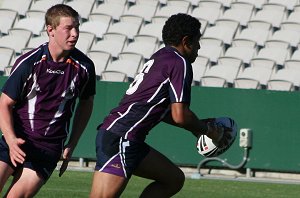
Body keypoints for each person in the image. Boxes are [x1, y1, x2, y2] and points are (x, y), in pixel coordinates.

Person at [90, 13, 229, 198]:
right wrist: (208, 130)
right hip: (123, 137)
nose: (199, 46)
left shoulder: (162, 56)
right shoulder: (180, 62)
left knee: (173, 179)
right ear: (186, 41)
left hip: (121, 134)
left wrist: (196, 128)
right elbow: (180, 115)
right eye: (197, 41)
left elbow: (161, 111)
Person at [0, 4, 96, 197]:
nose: (75, 34)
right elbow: (4, 103)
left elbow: (86, 104)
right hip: (16, 139)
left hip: (48, 149)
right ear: (50, 30)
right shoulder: (29, 63)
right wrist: (11, 141)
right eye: (68, 28)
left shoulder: (85, 67)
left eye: (77, 27)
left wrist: (73, 142)